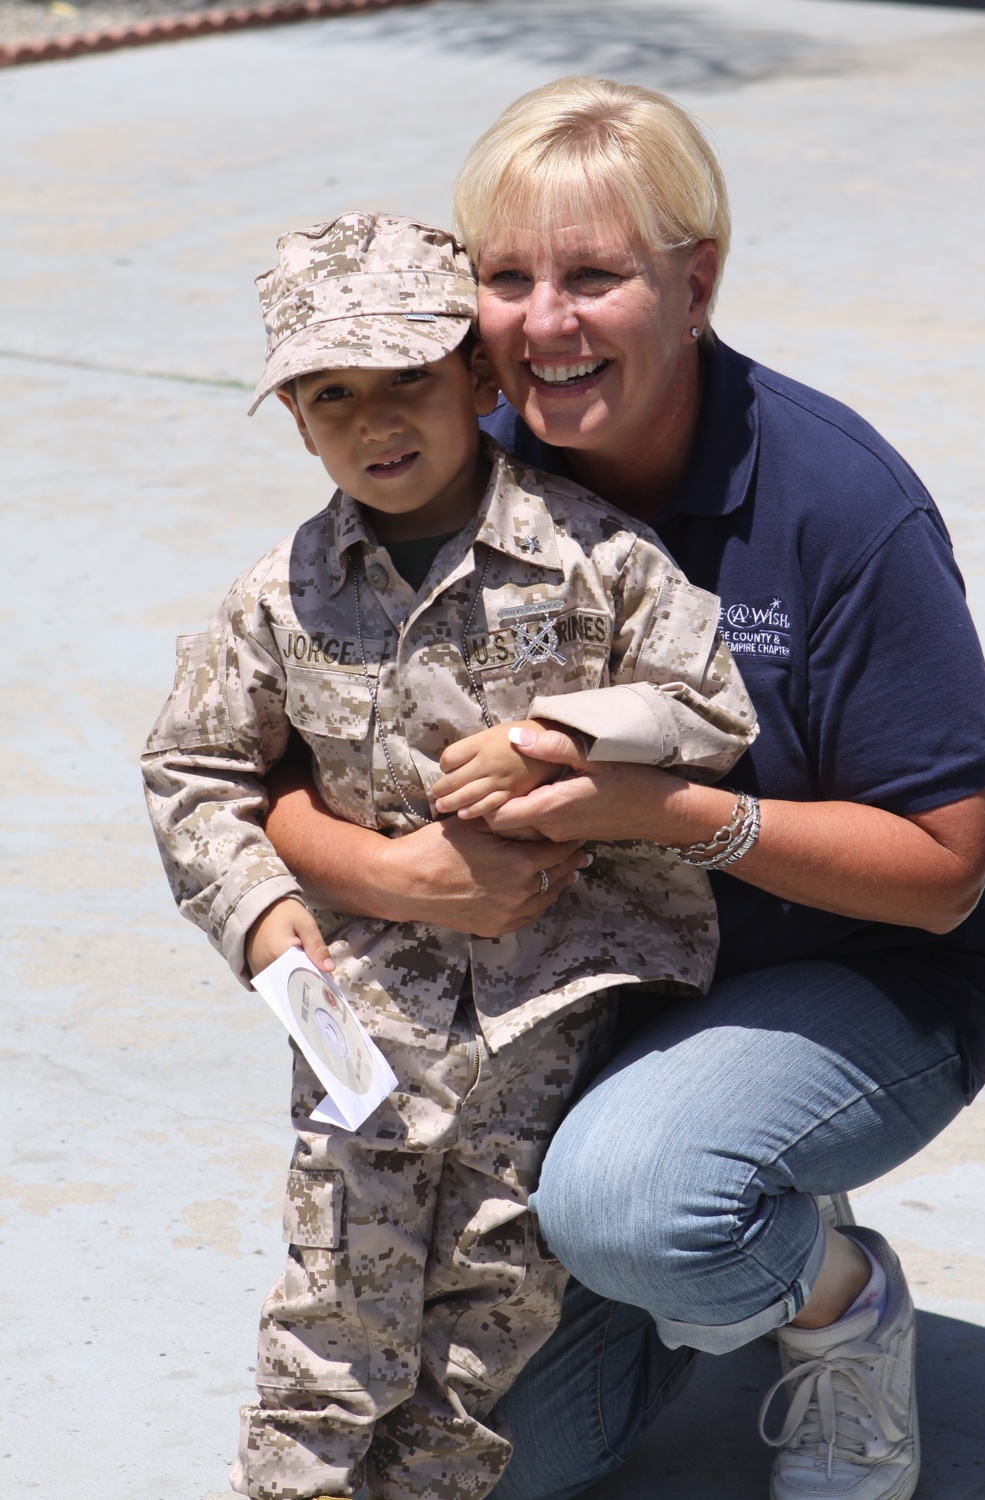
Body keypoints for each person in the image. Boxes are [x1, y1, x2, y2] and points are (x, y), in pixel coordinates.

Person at [263, 79, 985, 1500]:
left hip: (850, 972)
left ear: (696, 281)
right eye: (510, 279)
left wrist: (663, 815)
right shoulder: (447, 461)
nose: (548, 324)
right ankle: (706, 1212)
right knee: (511, 1459)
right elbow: (270, 768)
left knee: (639, 1203)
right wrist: (382, 878)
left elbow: (946, 867)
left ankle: (835, 1303)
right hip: (588, 1009)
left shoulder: (840, 508)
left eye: (597, 276)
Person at [140, 209, 758, 1500]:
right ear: (298, 419)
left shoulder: (590, 559)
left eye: (408, 380)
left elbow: (710, 708)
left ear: (478, 375)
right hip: (362, 1022)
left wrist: (562, 733)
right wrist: (259, 914)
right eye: (331, 394)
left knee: (483, 1327)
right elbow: (193, 770)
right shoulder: (283, 595)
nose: (375, 422)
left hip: (549, 1019)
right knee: (333, 1317)